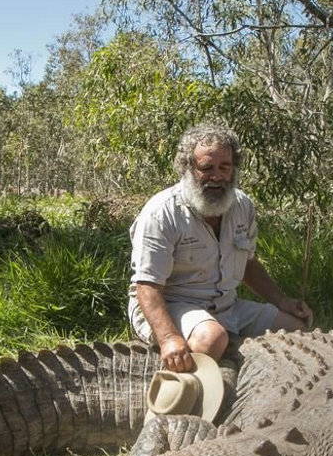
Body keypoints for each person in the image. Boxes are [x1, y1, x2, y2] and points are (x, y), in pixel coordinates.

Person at [128, 124, 314, 373]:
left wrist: (282, 300)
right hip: (172, 305)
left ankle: (228, 350)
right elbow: (148, 287)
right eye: (206, 168)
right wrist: (168, 338)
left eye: (224, 168)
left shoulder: (242, 206)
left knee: (296, 326)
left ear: (233, 170)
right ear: (188, 169)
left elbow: (248, 265)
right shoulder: (162, 213)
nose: (216, 176)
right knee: (211, 339)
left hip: (227, 306)